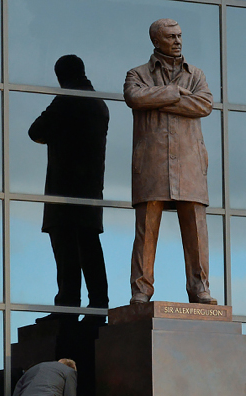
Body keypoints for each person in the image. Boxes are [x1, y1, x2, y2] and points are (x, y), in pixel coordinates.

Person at [124, 19, 217, 305]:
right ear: (156, 40)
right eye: (170, 36)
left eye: (179, 35)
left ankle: (200, 288)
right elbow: (134, 97)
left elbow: (204, 104)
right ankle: (141, 291)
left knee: (196, 228)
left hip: (189, 162)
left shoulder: (196, 75)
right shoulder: (137, 74)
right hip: (152, 162)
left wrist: (156, 100)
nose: (177, 41)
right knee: (147, 229)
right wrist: (175, 93)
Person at [29, 54, 110, 318]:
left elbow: (36, 130)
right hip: (90, 190)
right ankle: (98, 303)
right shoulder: (99, 104)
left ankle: (68, 304)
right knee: (89, 247)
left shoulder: (66, 101)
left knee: (66, 251)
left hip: (64, 190)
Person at [12, 359, 77, 396]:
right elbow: (70, 392)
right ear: (72, 367)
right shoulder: (69, 371)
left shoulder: (34, 368)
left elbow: (18, 389)